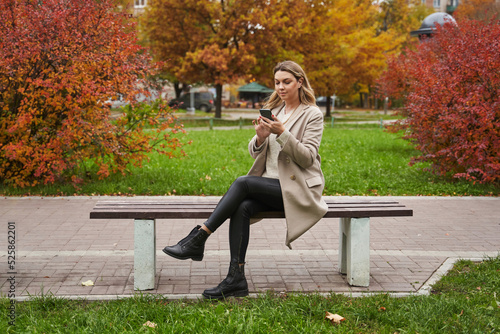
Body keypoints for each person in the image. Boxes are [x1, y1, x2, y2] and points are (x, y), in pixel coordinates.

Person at [162, 60, 328, 299]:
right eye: (277, 82)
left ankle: (199, 237)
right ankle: (235, 279)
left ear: (300, 82)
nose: (281, 87)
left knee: (243, 182)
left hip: (297, 189)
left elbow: (308, 158)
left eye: (287, 82)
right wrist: (260, 138)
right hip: (271, 186)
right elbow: (257, 152)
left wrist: (282, 133)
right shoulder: (276, 110)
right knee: (243, 207)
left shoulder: (312, 114)